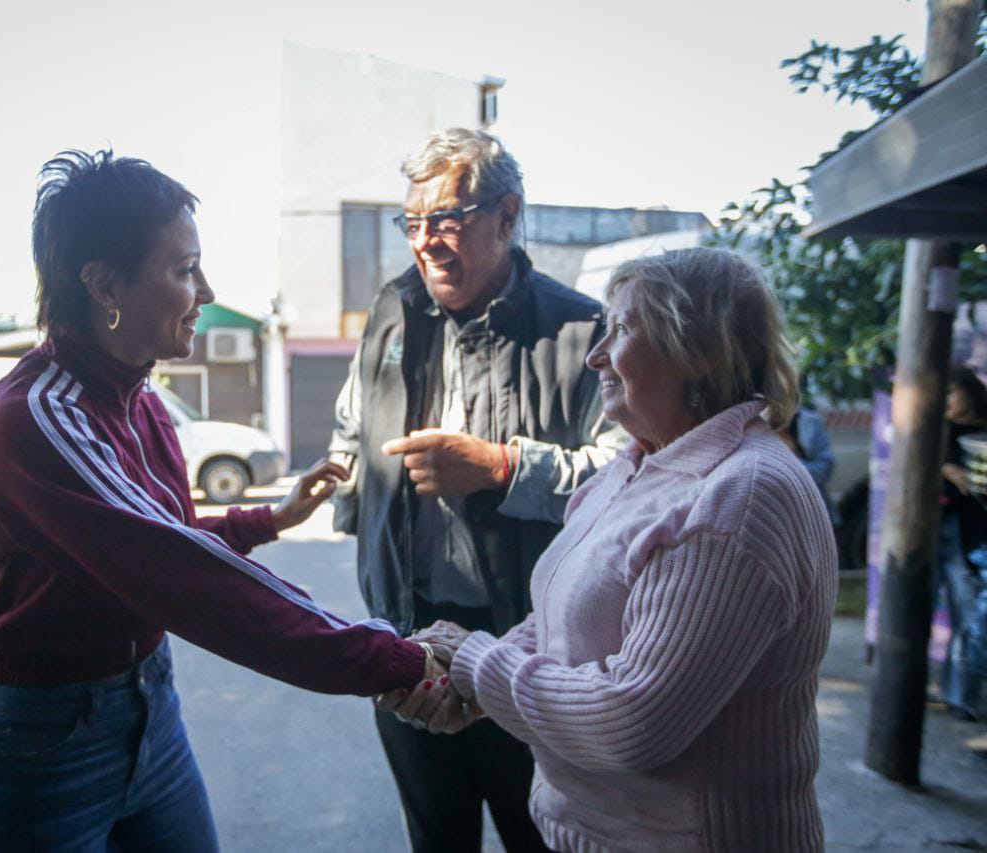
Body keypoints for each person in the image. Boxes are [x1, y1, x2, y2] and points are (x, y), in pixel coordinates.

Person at [0, 150, 443, 852]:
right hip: (42, 746)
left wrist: (268, 518)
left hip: (150, 710)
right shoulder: (39, 419)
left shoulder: (139, 400)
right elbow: (179, 573)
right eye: (183, 269)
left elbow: (154, 539)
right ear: (104, 285)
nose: (205, 290)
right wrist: (395, 660)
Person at [398, 247, 837, 850]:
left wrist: (477, 662)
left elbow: (633, 719)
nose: (596, 354)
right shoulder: (637, 464)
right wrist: (474, 681)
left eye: (623, 329)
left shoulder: (740, 497)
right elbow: (562, 620)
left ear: (701, 351)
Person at [329, 128, 622, 853]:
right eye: (412, 223)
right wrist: (340, 486)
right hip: (409, 642)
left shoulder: (581, 329)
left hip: (532, 656)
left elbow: (626, 479)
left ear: (507, 215)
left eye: (446, 219)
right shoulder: (393, 310)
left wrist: (502, 467)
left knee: (543, 836)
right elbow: (352, 423)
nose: (425, 242)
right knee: (437, 837)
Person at [936, 365, 987, 720]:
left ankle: (963, 696)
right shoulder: (939, 430)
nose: (947, 401)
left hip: (976, 533)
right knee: (961, 611)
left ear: (970, 391)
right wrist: (944, 467)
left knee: (969, 616)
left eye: (951, 392)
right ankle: (957, 694)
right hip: (943, 531)